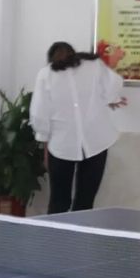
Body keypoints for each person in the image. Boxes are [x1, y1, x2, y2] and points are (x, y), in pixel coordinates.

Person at [31, 41, 127, 214]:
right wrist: (111, 99)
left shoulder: (46, 74)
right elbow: (113, 84)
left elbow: (39, 114)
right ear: (74, 53)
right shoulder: (93, 65)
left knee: (59, 201)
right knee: (85, 201)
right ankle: (80, 230)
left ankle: (56, 232)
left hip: (61, 145)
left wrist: (44, 142)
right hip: (96, 142)